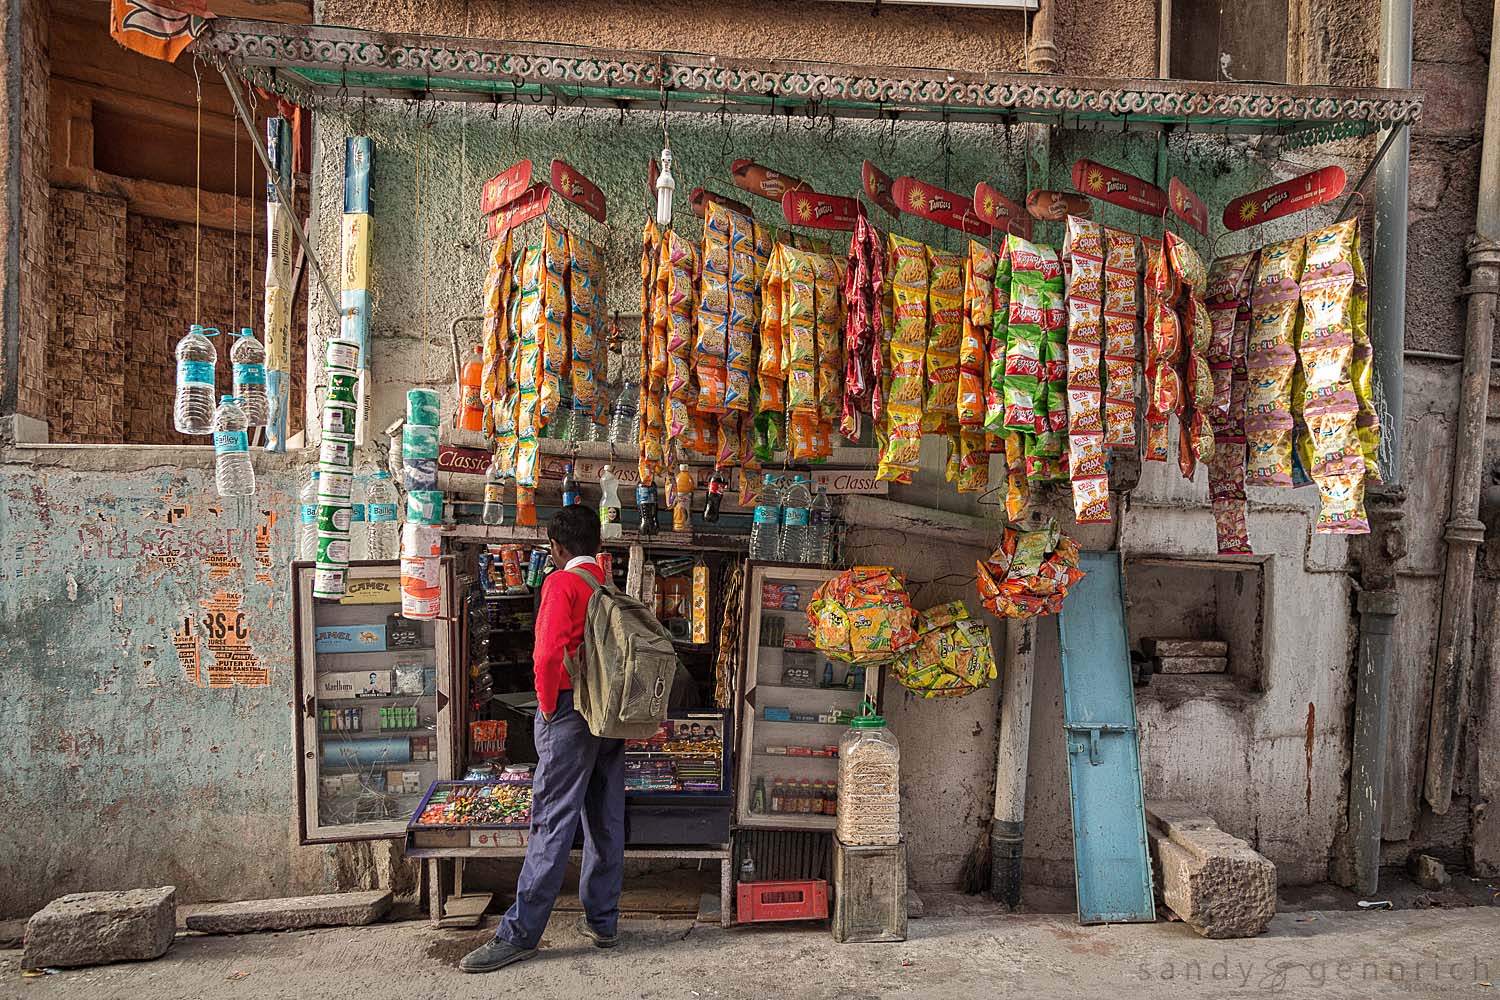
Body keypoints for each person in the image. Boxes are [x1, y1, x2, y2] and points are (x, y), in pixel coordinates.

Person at [461, 505, 622, 973]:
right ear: (596, 545)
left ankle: (520, 934)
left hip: (570, 713)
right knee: (604, 817)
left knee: (551, 820)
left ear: (556, 547)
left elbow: (549, 654)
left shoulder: (561, 583)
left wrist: (548, 707)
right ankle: (604, 921)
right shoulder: (608, 587)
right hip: (609, 714)